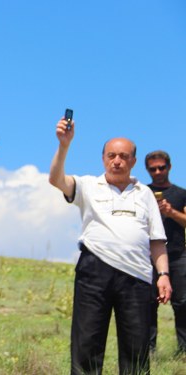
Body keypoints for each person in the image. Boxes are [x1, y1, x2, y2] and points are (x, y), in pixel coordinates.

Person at [49, 117, 172, 375]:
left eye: (123, 156)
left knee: (137, 347)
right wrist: (64, 145)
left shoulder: (145, 193)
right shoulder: (87, 185)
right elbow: (56, 179)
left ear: (133, 161)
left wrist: (163, 274)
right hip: (94, 270)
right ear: (103, 158)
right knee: (87, 344)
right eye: (111, 155)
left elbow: (156, 240)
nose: (117, 160)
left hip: (137, 276)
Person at [145, 150, 186, 356]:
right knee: (147, 304)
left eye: (161, 167)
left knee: (183, 304)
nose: (158, 172)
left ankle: (184, 350)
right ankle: (149, 351)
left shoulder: (181, 194)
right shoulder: (141, 193)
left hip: (178, 255)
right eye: (153, 169)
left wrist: (171, 212)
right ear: (147, 170)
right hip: (147, 256)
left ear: (169, 167)